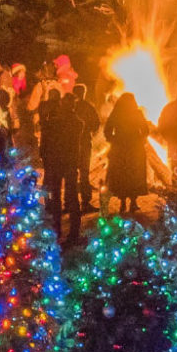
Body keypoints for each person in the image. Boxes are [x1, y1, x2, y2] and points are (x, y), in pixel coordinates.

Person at [37, 85, 85, 240]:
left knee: (58, 197)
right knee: (67, 197)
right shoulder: (76, 122)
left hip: (59, 162)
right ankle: (71, 231)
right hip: (66, 162)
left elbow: (46, 137)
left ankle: (59, 229)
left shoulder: (60, 122)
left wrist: (44, 155)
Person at [103, 93, 153, 214]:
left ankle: (123, 202)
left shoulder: (116, 113)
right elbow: (145, 130)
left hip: (120, 149)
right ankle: (133, 202)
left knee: (122, 175)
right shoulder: (137, 113)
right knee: (134, 175)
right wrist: (140, 139)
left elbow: (107, 130)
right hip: (135, 148)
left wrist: (113, 139)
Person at [69, 83, 101, 215]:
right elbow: (96, 123)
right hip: (84, 143)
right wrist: (90, 131)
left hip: (70, 145)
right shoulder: (88, 107)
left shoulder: (68, 107)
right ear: (83, 93)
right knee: (84, 173)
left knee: (71, 174)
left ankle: (70, 203)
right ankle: (85, 202)